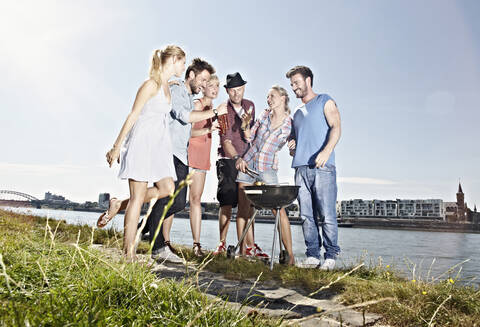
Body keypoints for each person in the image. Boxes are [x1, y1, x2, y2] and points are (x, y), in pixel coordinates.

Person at [99, 58, 227, 263]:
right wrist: (214, 112)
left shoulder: (182, 92)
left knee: (174, 200)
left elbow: (186, 130)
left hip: (178, 152)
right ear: (191, 75)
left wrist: (206, 129)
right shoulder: (177, 91)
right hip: (168, 151)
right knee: (171, 200)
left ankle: (121, 206)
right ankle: (157, 246)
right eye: (202, 79)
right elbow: (184, 116)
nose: (204, 84)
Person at [98, 45, 186, 261]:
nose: (184, 66)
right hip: (140, 144)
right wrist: (116, 146)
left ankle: (119, 204)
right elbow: (133, 115)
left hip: (157, 148)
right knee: (138, 199)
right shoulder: (150, 85)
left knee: (167, 188)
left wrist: (170, 82)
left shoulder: (166, 86)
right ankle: (128, 253)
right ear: (174, 59)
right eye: (183, 62)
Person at [286, 65, 341, 270]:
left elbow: (336, 127)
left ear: (308, 80)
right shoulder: (296, 113)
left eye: (296, 82)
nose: (293, 87)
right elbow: (295, 138)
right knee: (306, 215)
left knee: (326, 214)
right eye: (291, 84)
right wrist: (292, 145)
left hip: (323, 167)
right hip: (301, 168)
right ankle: (313, 255)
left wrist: (326, 151)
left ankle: (331, 256)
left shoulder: (325, 100)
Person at [236, 85, 295, 265]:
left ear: (283, 97)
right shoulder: (263, 114)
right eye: (267, 96)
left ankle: (290, 256)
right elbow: (249, 137)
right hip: (248, 164)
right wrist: (245, 123)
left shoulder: (289, 123)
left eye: (272, 96)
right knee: (244, 209)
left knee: (278, 209)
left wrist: (293, 145)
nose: (268, 99)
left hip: (267, 168)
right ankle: (242, 252)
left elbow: (289, 144)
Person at [213, 72, 269, 258]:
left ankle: (248, 246)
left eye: (239, 89)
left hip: (248, 161)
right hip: (229, 160)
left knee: (248, 204)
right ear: (227, 91)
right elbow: (225, 140)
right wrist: (237, 158)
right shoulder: (222, 110)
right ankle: (221, 244)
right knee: (227, 202)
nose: (236, 94)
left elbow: (251, 135)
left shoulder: (250, 106)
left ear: (243, 88)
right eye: (232, 91)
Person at [187, 74, 220, 256]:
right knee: (173, 198)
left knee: (196, 199)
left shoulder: (213, 107)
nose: (215, 89)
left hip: (202, 157)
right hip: (189, 154)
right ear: (204, 86)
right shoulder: (198, 104)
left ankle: (196, 244)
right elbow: (187, 131)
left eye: (217, 86)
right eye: (211, 85)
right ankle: (163, 240)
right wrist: (208, 129)